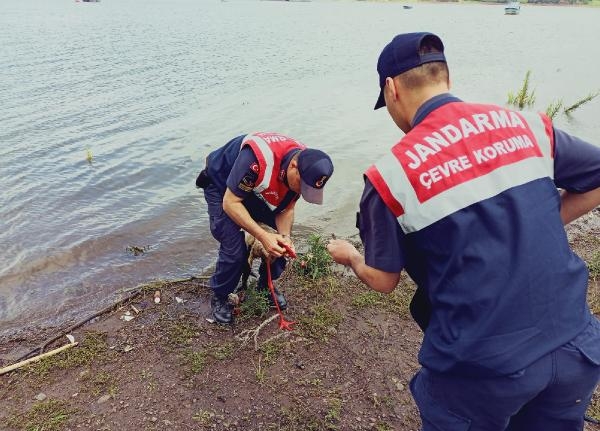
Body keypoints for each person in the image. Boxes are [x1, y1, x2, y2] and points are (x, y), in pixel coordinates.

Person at [327, 32, 600, 430]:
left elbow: (384, 280)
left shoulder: (389, 177)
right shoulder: (528, 125)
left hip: (483, 367)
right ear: (446, 79)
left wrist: (351, 256)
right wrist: (537, 217)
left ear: (391, 89)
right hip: (576, 345)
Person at [197, 132, 334, 325]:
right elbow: (231, 203)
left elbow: (286, 209)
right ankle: (220, 295)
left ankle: (265, 285)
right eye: (302, 186)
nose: (302, 192)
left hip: (251, 189)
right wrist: (261, 235)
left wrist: (284, 236)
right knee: (234, 248)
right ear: (293, 166)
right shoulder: (256, 159)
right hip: (221, 187)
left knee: (280, 244)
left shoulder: (307, 168)